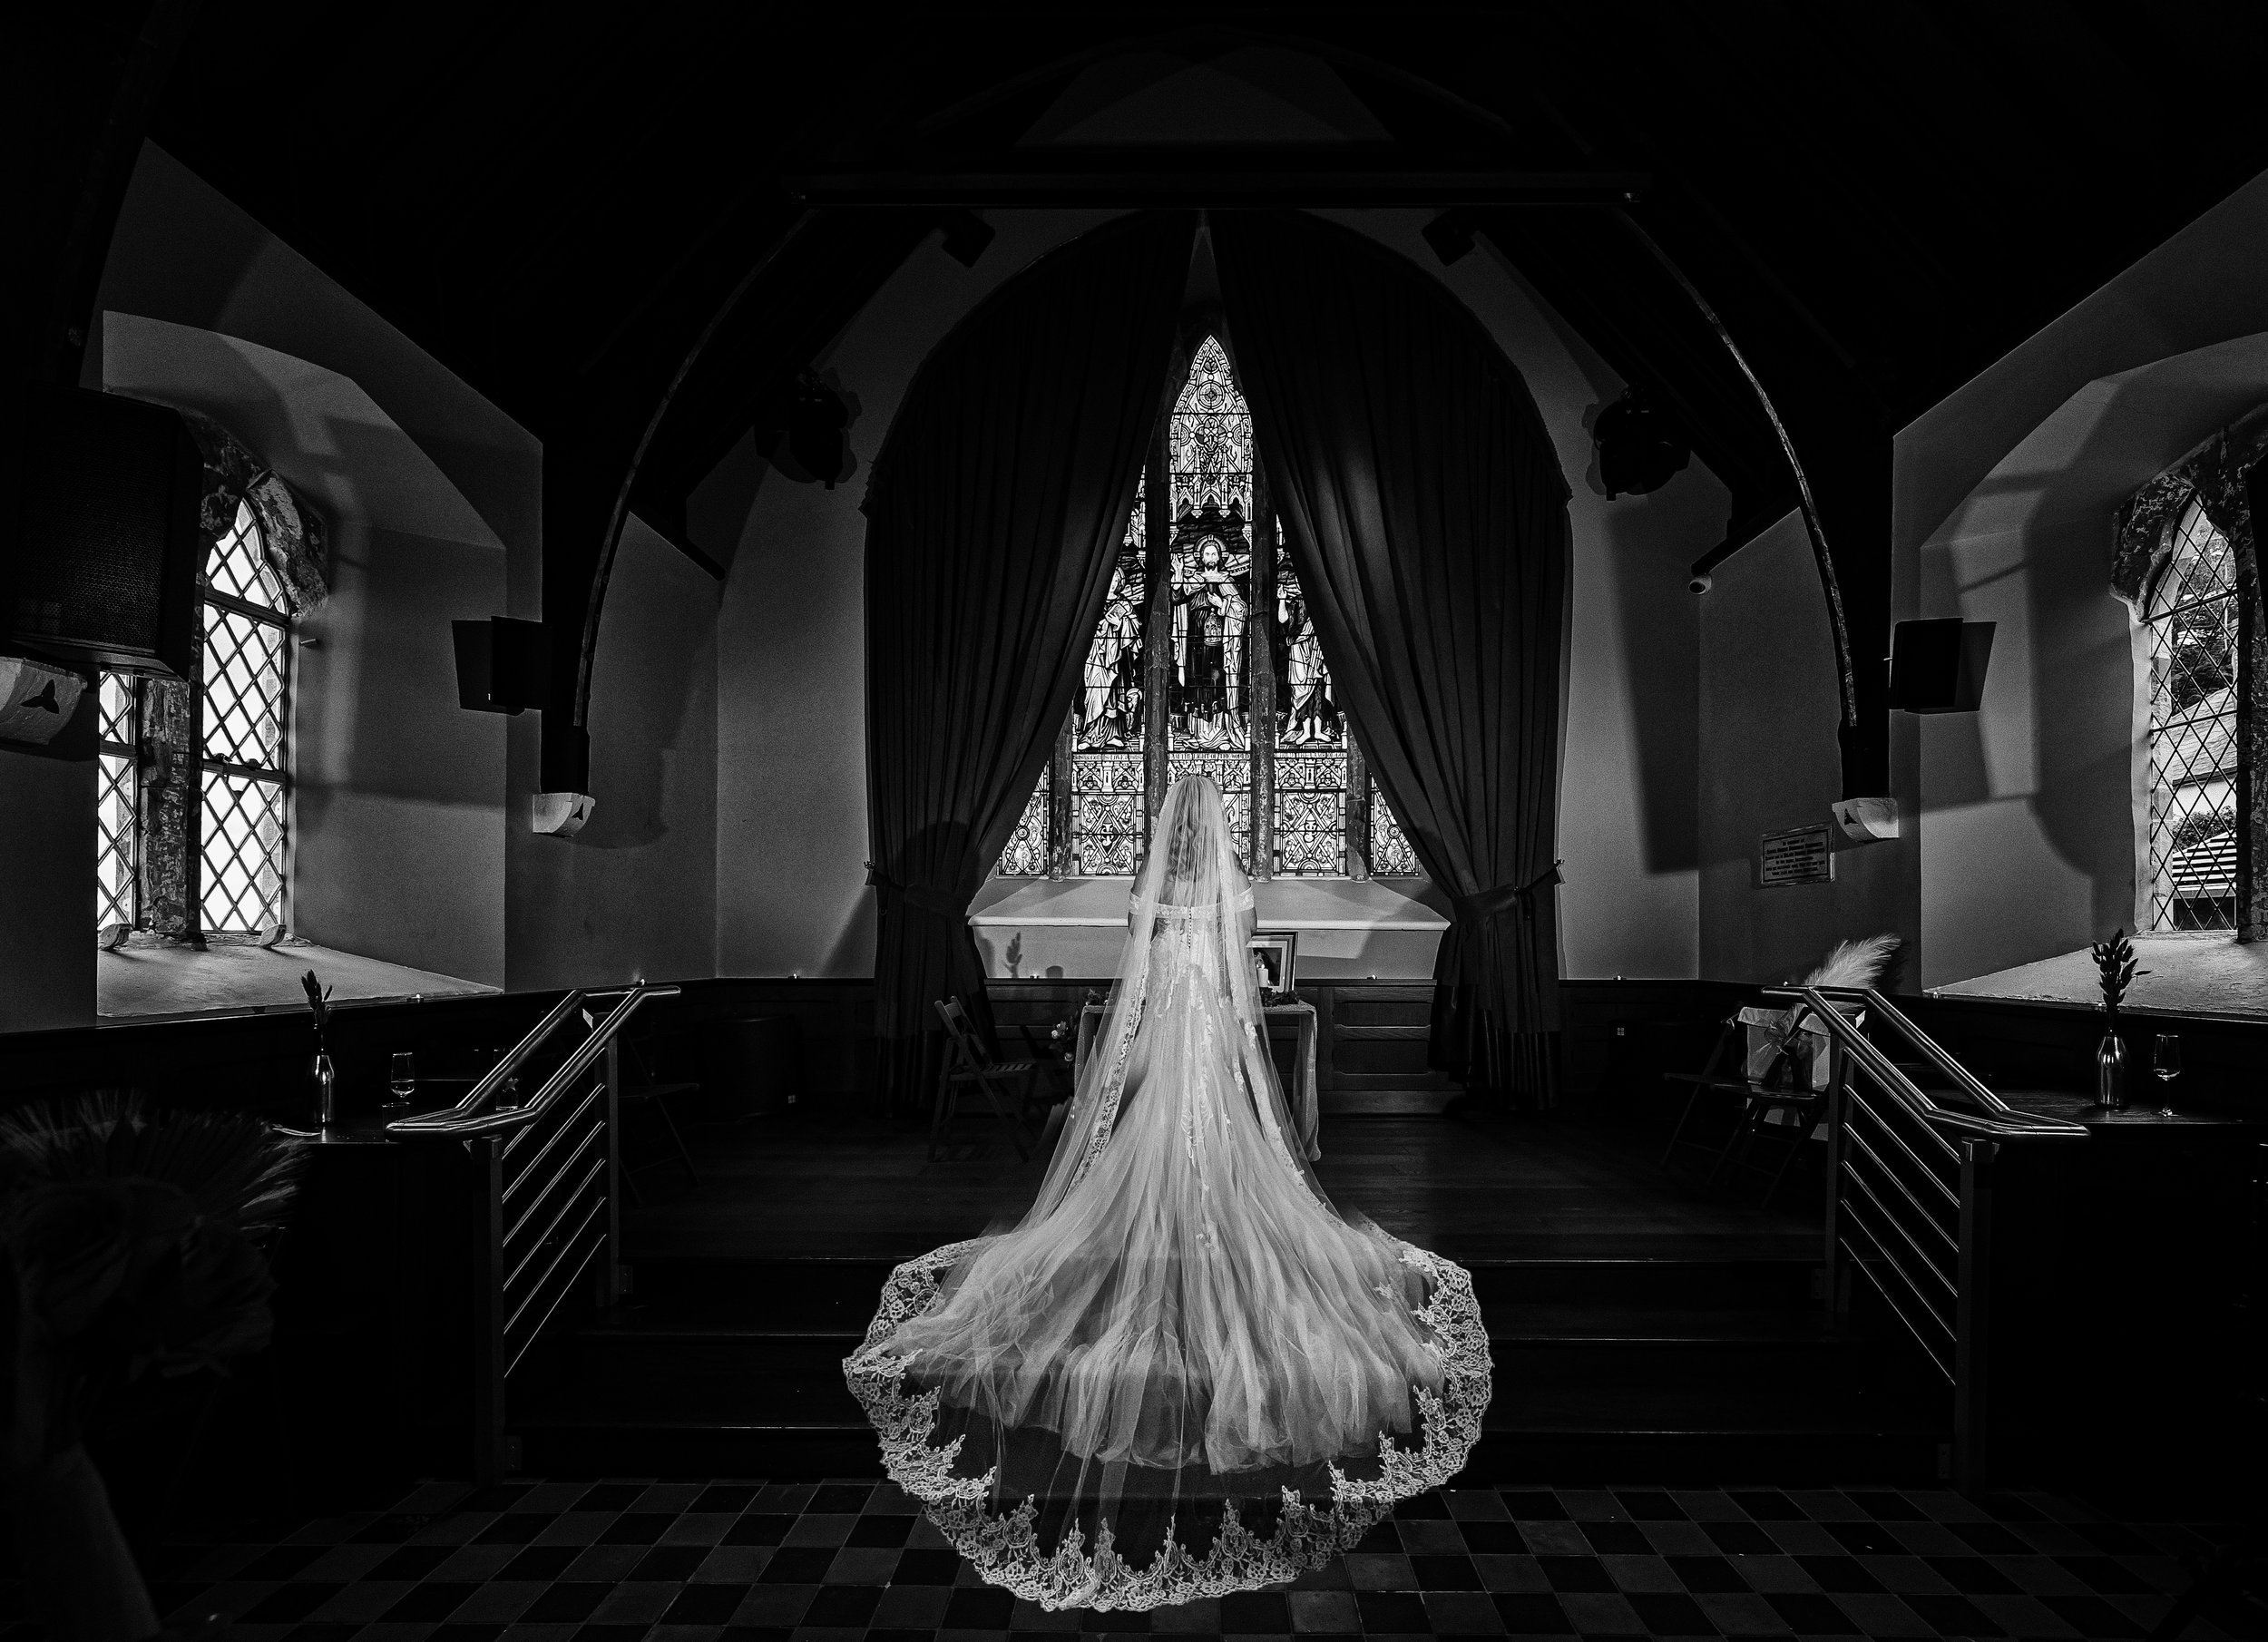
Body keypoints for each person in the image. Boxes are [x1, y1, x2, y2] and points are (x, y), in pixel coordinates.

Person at [845, 776, 1490, 1610]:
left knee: (1149, 1143)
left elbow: (1137, 972)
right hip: (1213, 1031)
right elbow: (1242, 981)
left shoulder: (1149, 893)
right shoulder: (1235, 890)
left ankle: (1165, 1217)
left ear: (1166, 833)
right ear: (1217, 832)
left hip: (1164, 1029)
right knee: (1222, 1142)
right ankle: (1215, 1211)